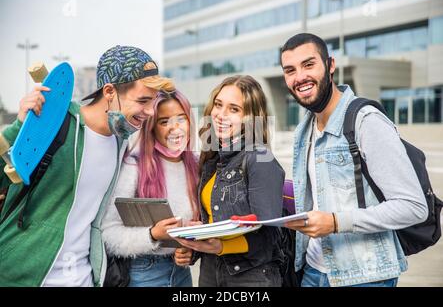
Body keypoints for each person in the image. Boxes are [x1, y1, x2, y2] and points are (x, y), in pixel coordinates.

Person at [0, 45, 174, 287]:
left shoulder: (120, 139)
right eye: (143, 100)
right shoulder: (56, 121)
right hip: (26, 275)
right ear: (110, 91)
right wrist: (20, 126)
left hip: (82, 277)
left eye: (153, 102)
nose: (149, 111)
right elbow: (5, 176)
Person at [280, 33, 428, 287]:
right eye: (290, 70)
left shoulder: (365, 121)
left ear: (330, 65)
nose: (299, 77)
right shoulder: (303, 130)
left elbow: (413, 206)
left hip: (364, 277)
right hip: (313, 272)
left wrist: (336, 222)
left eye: (308, 64)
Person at [174, 75, 285, 287]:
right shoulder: (211, 159)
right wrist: (193, 249)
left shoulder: (259, 158)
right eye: (218, 105)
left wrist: (221, 247)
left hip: (249, 278)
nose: (220, 115)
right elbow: (212, 222)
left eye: (234, 109)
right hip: (210, 272)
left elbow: (270, 237)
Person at [102, 90, 199, 287]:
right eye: (164, 122)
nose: (175, 128)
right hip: (144, 273)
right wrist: (152, 234)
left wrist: (191, 250)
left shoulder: (196, 165)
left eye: (181, 118)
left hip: (181, 273)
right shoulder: (134, 166)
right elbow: (108, 233)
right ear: (152, 128)